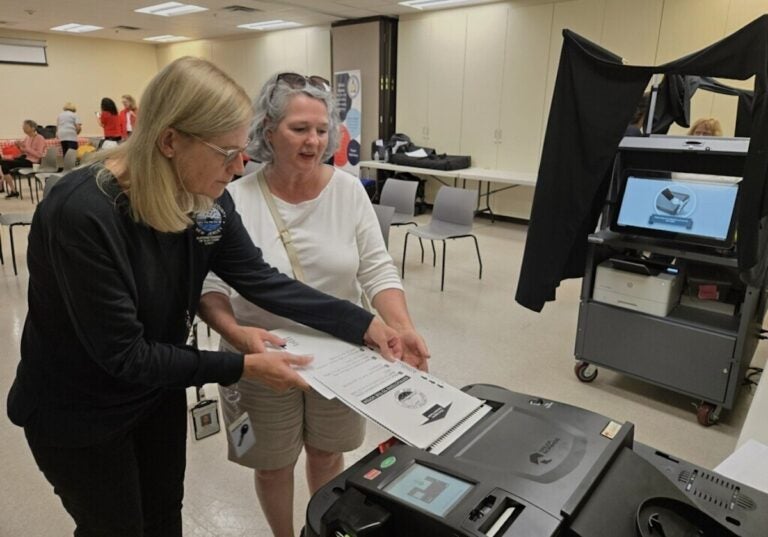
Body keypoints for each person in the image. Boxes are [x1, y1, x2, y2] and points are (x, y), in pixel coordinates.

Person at [6, 56, 403, 537]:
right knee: (116, 527)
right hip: (81, 412)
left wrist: (366, 325)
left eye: (242, 150)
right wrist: (240, 365)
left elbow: (260, 278)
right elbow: (123, 354)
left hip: (155, 396)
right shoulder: (82, 213)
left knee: (162, 518)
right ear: (170, 140)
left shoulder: (205, 201)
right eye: (226, 152)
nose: (240, 166)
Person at [198, 73, 430, 537]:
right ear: (267, 130)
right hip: (262, 357)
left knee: (328, 454)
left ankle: (322, 530)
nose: (314, 140)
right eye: (299, 128)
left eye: (322, 129)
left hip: (344, 354)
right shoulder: (232, 197)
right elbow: (210, 287)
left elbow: (376, 269)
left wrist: (400, 323)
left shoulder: (348, 191)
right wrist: (240, 337)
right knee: (272, 465)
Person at [1, 119, 46, 198]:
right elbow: (23, 151)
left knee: (3, 163)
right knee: (3, 164)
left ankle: (10, 190)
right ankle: (13, 190)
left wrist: (26, 148)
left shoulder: (40, 138)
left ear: (33, 128)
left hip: (33, 162)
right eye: (23, 126)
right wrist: (19, 146)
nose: (23, 128)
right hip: (24, 159)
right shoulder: (27, 138)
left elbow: (39, 155)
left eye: (26, 126)